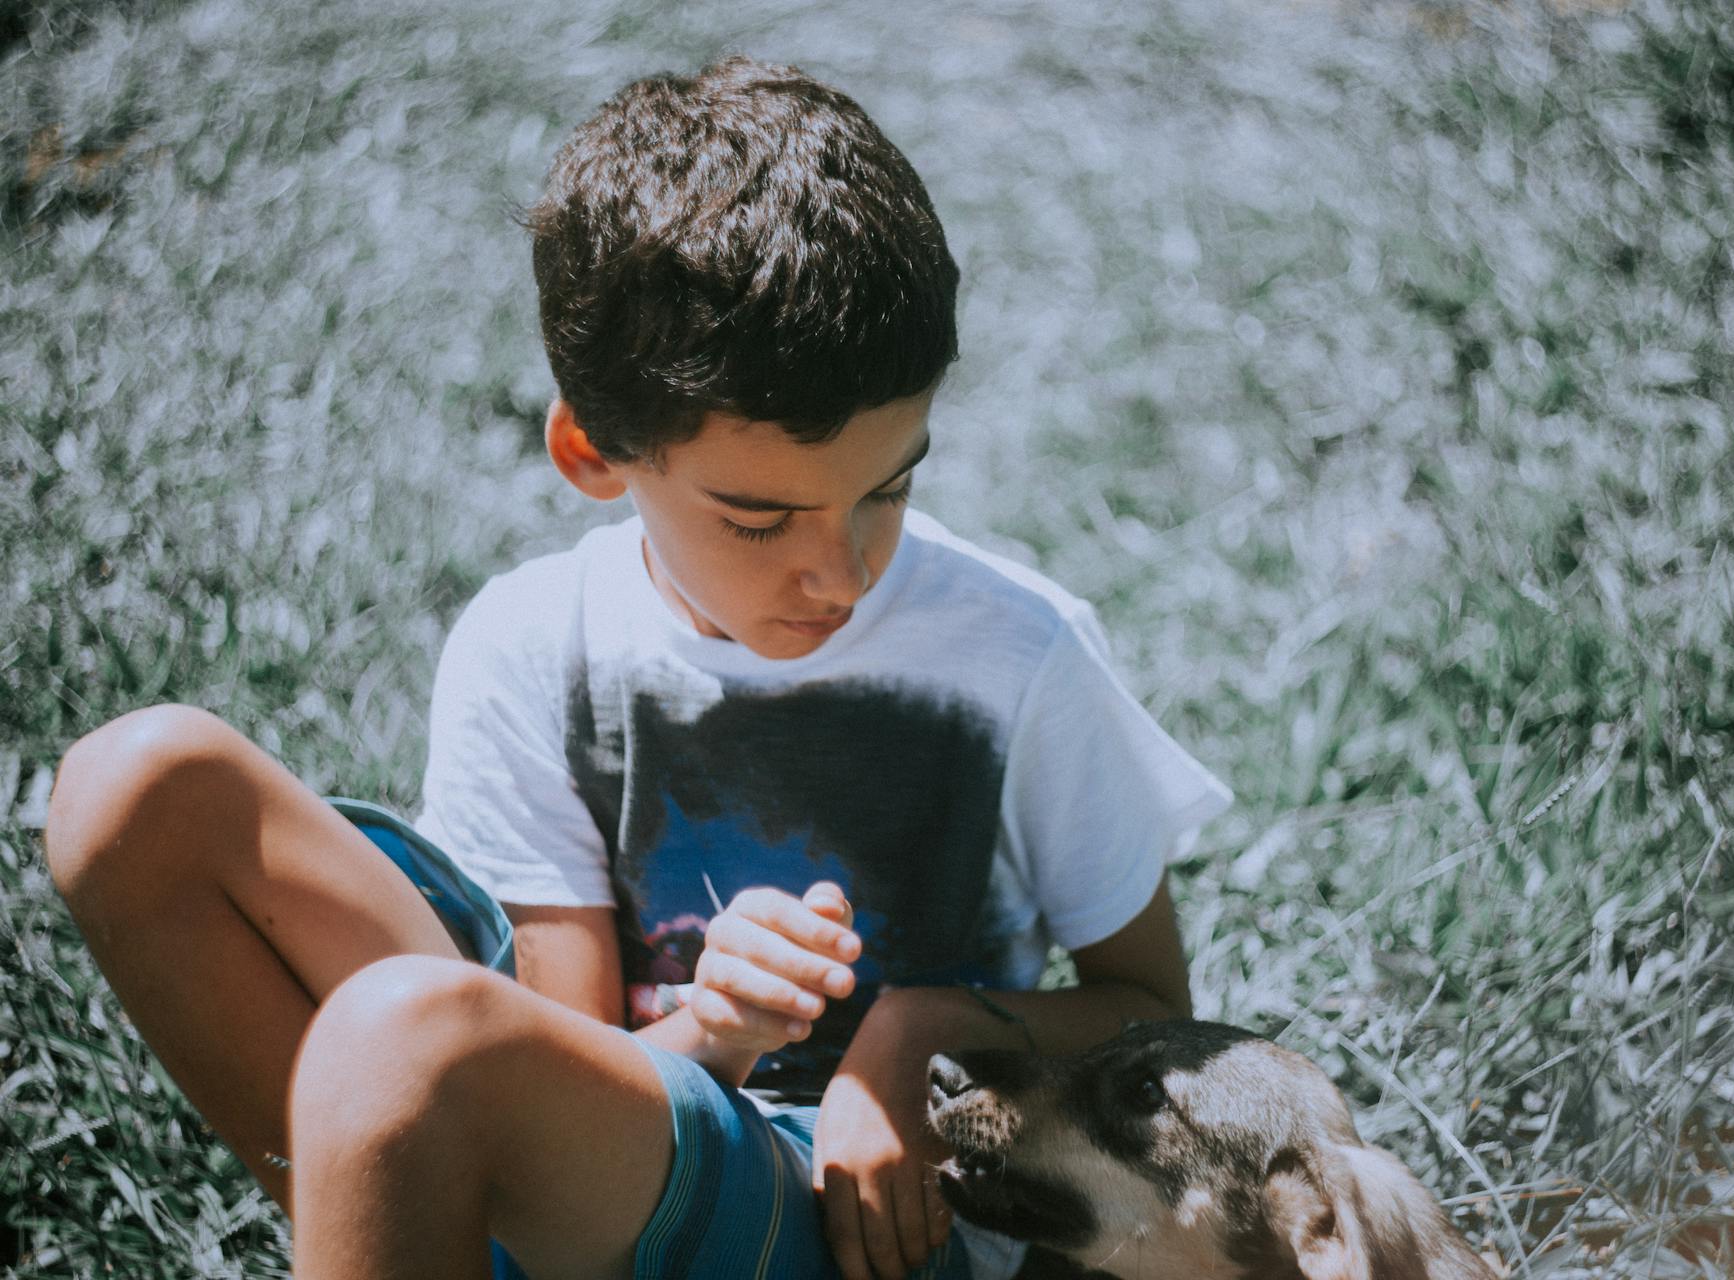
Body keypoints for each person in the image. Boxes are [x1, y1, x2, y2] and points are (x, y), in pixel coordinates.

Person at [43, 56, 1230, 1280]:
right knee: (137, 789)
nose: (844, 570)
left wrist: (918, 1030)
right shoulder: (532, 640)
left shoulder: (1017, 649)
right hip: (615, 1135)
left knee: (406, 1039)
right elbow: (572, 1041)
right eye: (762, 520)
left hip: (858, 1215)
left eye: (891, 484)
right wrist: (714, 1025)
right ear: (594, 450)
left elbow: (1155, 1012)